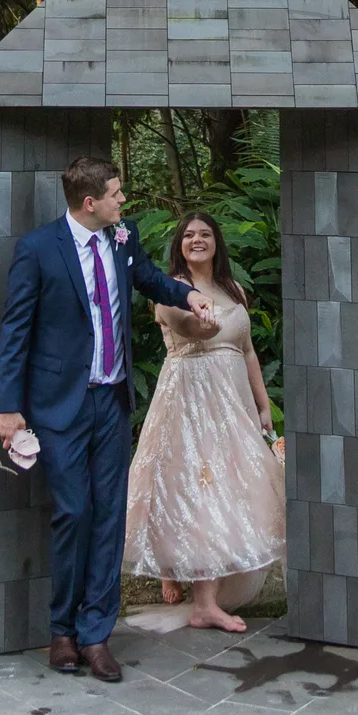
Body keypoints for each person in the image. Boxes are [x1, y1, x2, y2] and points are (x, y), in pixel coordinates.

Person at [0, 153, 215, 683]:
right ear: (89, 203)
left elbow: (152, 280)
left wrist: (188, 293)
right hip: (60, 405)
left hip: (110, 403)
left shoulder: (123, 237)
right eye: (116, 194)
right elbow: (15, 329)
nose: (123, 201)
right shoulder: (39, 249)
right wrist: (6, 405)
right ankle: (61, 631)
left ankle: (96, 637)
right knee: (74, 512)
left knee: (110, 515)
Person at [124, 210, 285, 634]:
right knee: (194, 488)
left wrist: (262, 403)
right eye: (189, 235)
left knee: (230, 487)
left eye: (206, 234)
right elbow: (191, 330)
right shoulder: (169, 289)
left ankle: (192, 581)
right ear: (179, 243)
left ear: (217, 242)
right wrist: (204, 319)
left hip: (232, 402)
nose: (197, 240)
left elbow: (248, 350)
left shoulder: (233, 289)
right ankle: (202, 601)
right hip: (190, 401)